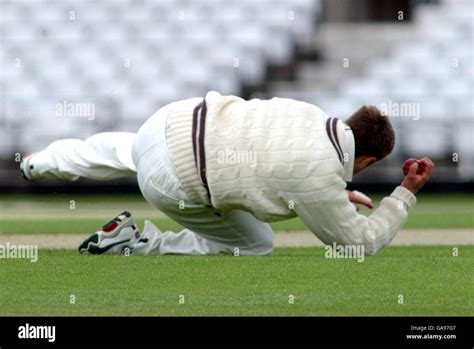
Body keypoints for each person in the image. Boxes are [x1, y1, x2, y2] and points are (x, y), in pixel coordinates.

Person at [20, 91, 434, 256]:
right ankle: (139, 241)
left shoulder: (310, 114)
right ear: (366, 163)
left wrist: (329, 195)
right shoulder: (318, 176)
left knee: (119, 150)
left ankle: (40, 163)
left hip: (170, 120)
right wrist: (404, 194)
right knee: (256, 244)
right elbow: (360, 244)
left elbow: (283, 165)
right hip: (173, 179)